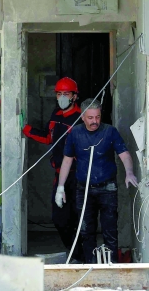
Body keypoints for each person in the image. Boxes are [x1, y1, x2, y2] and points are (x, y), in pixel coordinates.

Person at [56, 98, 139, 263]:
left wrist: (129, 173)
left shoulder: (109, 132)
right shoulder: (75, 133)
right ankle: (90, 266)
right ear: (83, 117)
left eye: (98, 117)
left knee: (110, 230)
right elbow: (67, 160)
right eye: (91, 118)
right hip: (83, 188)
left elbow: (124, 154)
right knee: (86, 230)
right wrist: (60, 187)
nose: (95, 121)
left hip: (107, 188)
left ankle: (113, 266)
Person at [22, 77, 83, 260]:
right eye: (59, 94)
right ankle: (74, 252)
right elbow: (49, 138)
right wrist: (27, 130)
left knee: (78, 219)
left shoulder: (81, 118)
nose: (62, 97)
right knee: (59, 218)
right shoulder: (56, 115)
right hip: (60, 176)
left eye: (66, 94)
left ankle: (80, 256)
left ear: (74, 96)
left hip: (78, 177)